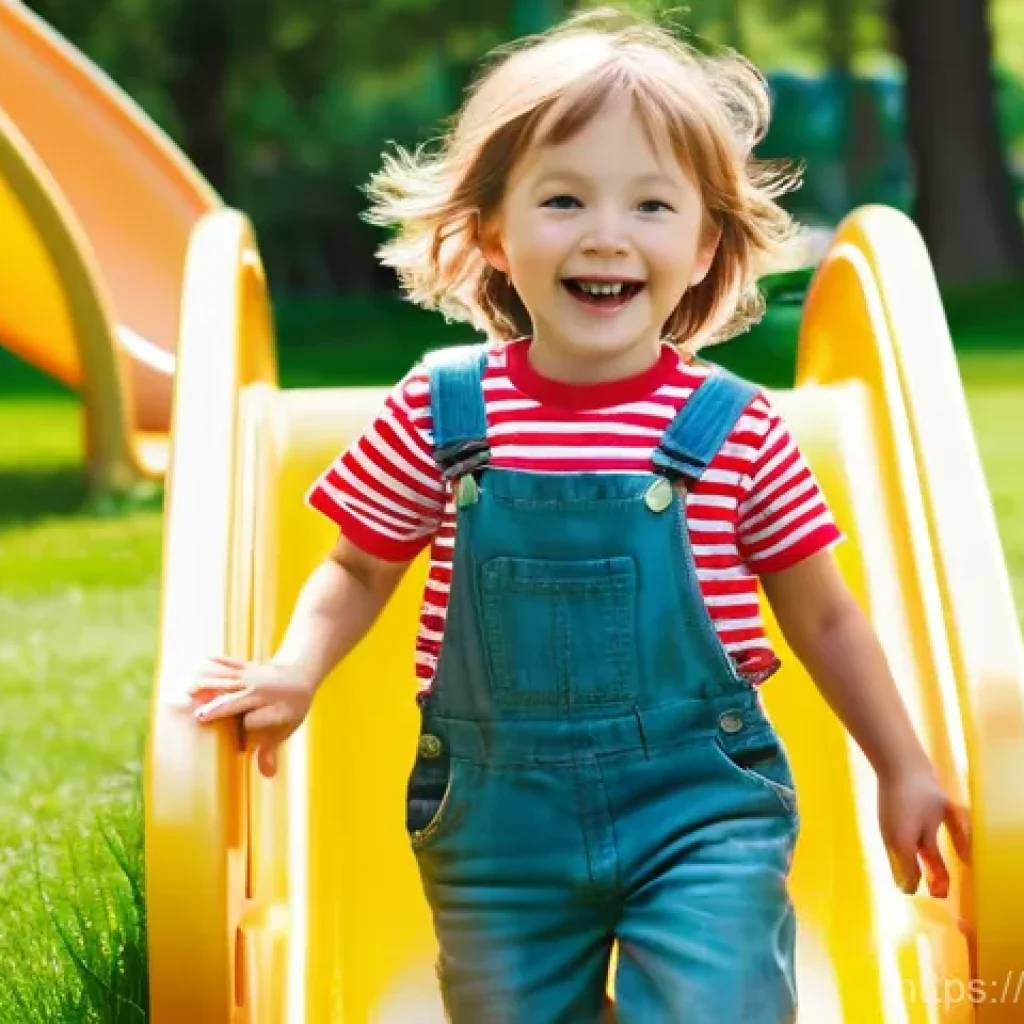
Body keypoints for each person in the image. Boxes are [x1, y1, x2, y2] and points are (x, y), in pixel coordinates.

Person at [190, 8, 970, 1022]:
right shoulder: (440, 409)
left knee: (713, 1004)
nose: (606, 234)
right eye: (562, 199)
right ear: (493, 233)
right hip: (497, 826)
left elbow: (825, 616)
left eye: (651, 204)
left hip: (699, 811)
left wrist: (901, 767)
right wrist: (294, 669)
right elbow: (356, 566)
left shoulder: (737, 428)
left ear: (704, 246)